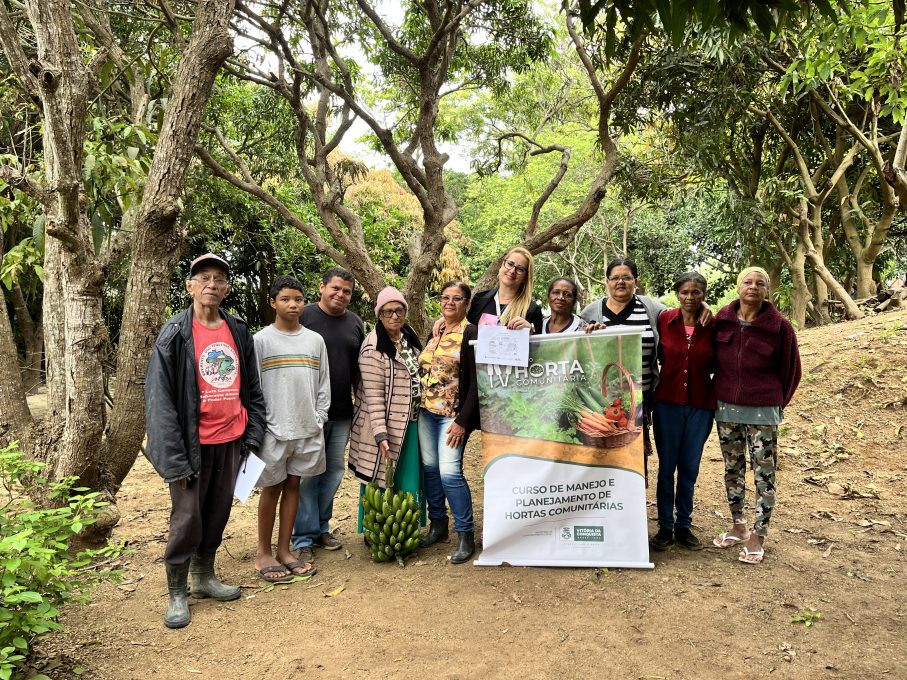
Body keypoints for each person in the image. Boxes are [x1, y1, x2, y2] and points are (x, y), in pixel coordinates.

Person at [145, 253, 266, 629]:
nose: (211, 284)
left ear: (227, 289)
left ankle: (204, 575)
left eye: (219, 279)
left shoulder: (238, 329)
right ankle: (176, 591)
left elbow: (252, 387)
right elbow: (160, 399)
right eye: (204, 278)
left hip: (231, 440)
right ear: (190, 286)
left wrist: (253, 434)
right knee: (187, 519)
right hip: (192, 445)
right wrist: (174, 459)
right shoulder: (174, 333)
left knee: (217, 512)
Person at [711, 267, 801, 565]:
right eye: (747, 282)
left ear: (766, 290)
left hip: (763, 412)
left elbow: (792, 372)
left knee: (764, 474)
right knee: (732, 470)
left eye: (760, 283)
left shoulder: (780, 328)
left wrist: (775, 403)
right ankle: (739, 526)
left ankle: (758, 535)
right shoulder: (721, 321)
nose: (753, 287)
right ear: (738, 287)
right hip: (726, 410)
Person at [253, 276, 330, 582]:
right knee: (271, 488)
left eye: (298, 299)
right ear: (273, 302)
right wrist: (262, 426)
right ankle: (263, 552)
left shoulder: (314, 341)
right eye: (285, 299)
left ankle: (285, 550)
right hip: (273, 431)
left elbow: (323, 383)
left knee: (294, 485)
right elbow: (253, 388)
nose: (293, 304)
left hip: (307, 428)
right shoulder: (261, 341)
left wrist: (319, 416)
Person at [291, 268, 364, 565]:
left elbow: (359, 369)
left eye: (346, 291)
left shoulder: (355, 323)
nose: (340, 294)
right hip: (309, 414)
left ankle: (321, 527)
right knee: (308, 474)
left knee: (333, 472)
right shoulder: (303, 316)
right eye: (335, 288)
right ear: (321, 287)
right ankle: (302, 537)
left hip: (342, 412)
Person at [348, 287, 426, 540]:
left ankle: (408, 529)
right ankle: (378, 532)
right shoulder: (373, 347)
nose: (394, 316)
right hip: (387, 426)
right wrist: (381, 434)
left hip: (412, 422)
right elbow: (373, 398)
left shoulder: (409, 338)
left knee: (408, 476)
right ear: (379, 315)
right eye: (388, 312)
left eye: (399, 310)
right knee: (382, 476)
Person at [649, 272, 716, 552]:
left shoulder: (714, 325)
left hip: (700, 405)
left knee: (689, 467)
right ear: (677, 294)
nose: (690, 297)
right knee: (667, 468)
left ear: (703, 294)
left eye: (696, 292)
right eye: (685, 292)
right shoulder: (664, 320)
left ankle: (684, 526)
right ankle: (665, 526)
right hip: (667, 403)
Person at [418, 282, 480, 564]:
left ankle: (465, 534)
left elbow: (477, 381)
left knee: (450, 473)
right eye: (445, 298)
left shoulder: (471, 332)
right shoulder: (437, 331)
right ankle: (438, 525)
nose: (450, 303)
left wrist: (463, 420)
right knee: (430, 470)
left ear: (466, 303)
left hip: (452, 417)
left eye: (457, 298)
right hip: (426, 412)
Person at [467, 246, 543, 333]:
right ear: (502, 265)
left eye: (520, 269)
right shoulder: (479, 299)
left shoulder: (532, 310)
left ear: (525, 277)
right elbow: (467, 334)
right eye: (510, 264)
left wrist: (530, 330)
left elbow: (538, 340)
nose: (512, 271)